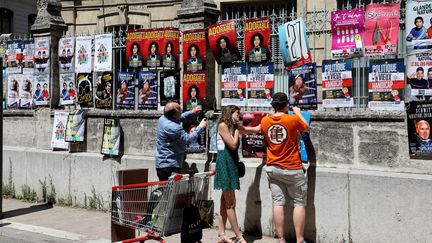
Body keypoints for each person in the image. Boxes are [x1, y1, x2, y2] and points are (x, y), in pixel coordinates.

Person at [260, 92, 309, 243]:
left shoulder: (265, 121)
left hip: (273, 167)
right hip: (292, 168)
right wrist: (298, 112)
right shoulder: (292, 119)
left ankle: (281, 239)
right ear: (286, 104)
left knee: (278, 202)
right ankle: (299, 240)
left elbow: (263, 131)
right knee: (299, 203)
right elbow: (305, 127)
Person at [213, 105, 247, 243]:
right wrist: (238, 132)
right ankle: (238, 236)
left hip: (230, 164)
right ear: (230, 113)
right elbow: (233, 145)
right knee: (230, 203)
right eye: (237, 113)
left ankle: (222, 234)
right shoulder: (222, 126)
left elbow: (249, 130)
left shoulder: (233, 127)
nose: (239, 115)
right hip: (225, 164)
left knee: (224, 202)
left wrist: (262, 126)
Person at [155, 102, 206, 180]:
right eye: (180, 109)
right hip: (170, 165)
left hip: (162, 163)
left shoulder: (163, 118)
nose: (181, 110)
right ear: (175, 114)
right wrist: (200, 127)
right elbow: (188, 139)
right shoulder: (173, 127)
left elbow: (179, 117)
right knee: (172, 190)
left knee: (164, 189)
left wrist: (191, 112)